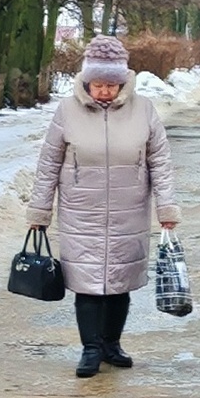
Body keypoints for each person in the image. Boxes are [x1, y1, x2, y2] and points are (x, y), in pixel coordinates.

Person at [26, 35, 180, 378]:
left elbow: (161, 162)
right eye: (98, 84)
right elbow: (49, 163)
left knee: (120, 284)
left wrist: (166, 210)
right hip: (82, 211)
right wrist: (39, 212)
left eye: (112, 84)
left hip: (130, 210)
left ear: (123, 82)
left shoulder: (144, 110)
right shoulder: (67, 110)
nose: (105, 91)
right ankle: (90, 348)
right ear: (87, 81)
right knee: (87, 284)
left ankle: (112, 344)